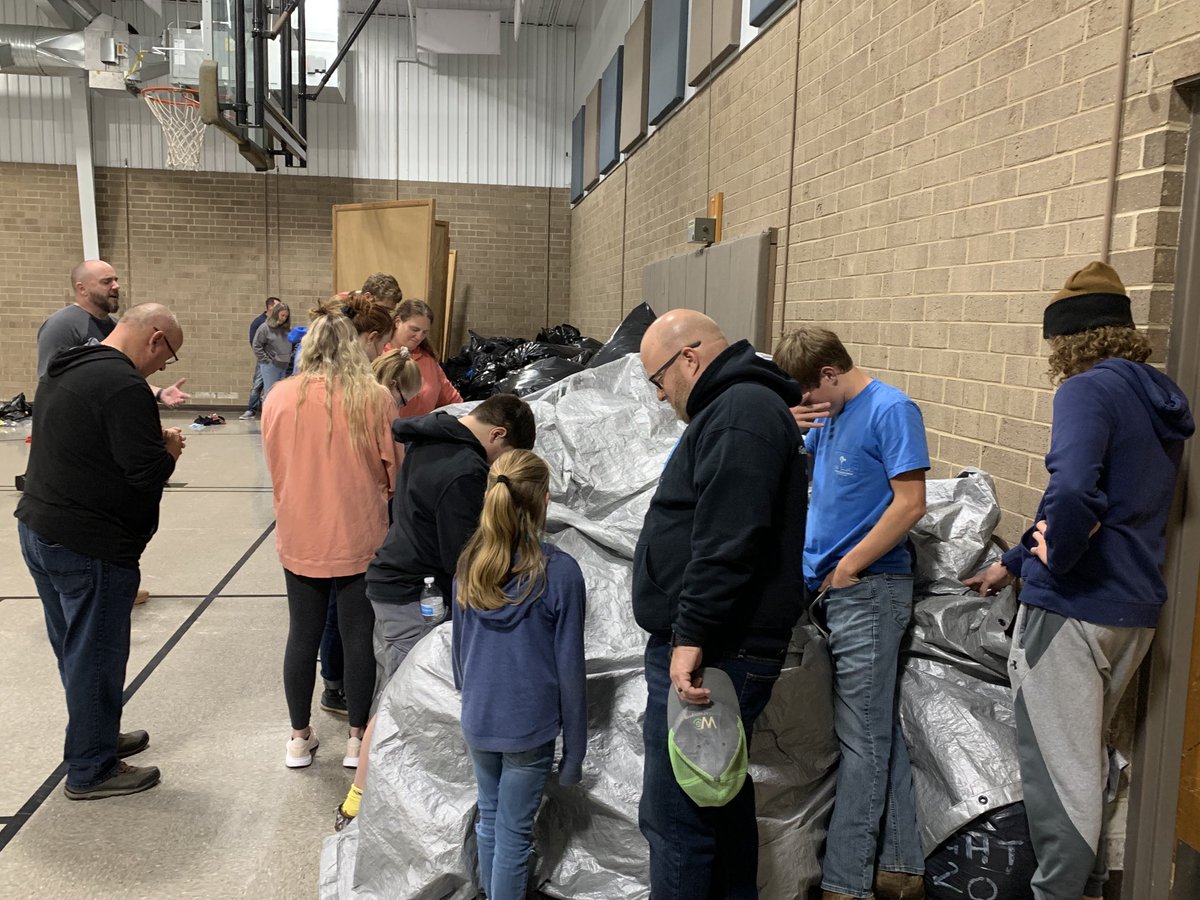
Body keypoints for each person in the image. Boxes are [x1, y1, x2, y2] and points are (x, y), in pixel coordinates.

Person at [964, 262, 1194, 900]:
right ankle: (1087, 889)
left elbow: (1070, 492)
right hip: (1132, 608)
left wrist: (1051, 561)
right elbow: (1096, 493)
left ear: (1068, 340)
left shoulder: (1086, 392)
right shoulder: (1157, 396)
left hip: (1072, 606)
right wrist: (1011, 564)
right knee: (1086, 762)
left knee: (1057, 780)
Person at [634, 309, 808, 899]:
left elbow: (728, 541)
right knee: (718, 802)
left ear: (689, 358)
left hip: (716, 652)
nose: (660, 397)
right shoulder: (740, 409)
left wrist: (690, 639)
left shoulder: (740, 413)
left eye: (658, 379)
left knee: (677, 818)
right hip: (718, 645)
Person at [774, 326, 928, 900]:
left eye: (811, 394)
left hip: (867, 589)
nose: (810, 405)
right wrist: (791, 427)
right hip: (829, 590)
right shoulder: (830, 414)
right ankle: (901, 866)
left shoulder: (891, 409)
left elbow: (911, 503)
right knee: (872, 729)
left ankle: (846, 882)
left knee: (861, 739)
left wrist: (850, 566)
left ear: (832, 375)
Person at [336, 392, 537, 829]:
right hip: (412, 597)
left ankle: (371, 791)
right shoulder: (465, 470)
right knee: (400, 700)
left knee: (392, 688)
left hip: (395, 585)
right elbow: (463, 560)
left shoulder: (429, 440)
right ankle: (360, 802)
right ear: (498, 435)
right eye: (504, 458)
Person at [16, 303, 186, 800]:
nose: (161, 368)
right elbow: (145, 474)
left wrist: (146, 437)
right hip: (89, 543)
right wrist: (168, 450)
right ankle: (91, 768)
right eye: (168, 356)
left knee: (75, 649)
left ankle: (96, 735)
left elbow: (87, 440)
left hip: (40, 527)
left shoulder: (71, 364)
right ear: (155, 339)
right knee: (97, 655)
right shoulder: (125, 386)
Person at [261, 305, 402, 770]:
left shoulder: (278, 397)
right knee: (358, 637)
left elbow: (274, 462)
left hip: (301, 531)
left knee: (302, 635)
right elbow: (393, 470)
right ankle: (357, 739)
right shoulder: (375, 398)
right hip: (359, 532)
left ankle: (299, 737)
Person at [452, 449, 587, 900]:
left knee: (490, 820)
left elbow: (460, 651)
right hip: (528, 727)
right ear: (544, 500)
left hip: (479, 717)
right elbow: (570, 671)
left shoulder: (469, 563)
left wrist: (468, 695)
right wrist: (575, 753)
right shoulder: (560, 573)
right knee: (513, 835)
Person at [313, 292, 401, 716]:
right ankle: (344, 697)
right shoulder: (370, 397)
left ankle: (333, 689)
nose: (385, 350)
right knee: (347, 617)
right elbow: (390, 472)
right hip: (349, 524)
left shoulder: (297, 394)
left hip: (317, 522)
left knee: (327, 618)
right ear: (365, 338)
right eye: (382, 342)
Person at [35, 260, 190, 410]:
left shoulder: (118, 327)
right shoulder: (61, 325)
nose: (116, 286)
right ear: (82, 288)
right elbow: (51, 382)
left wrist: (159, 393)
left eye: (116, 280)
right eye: (106, 282)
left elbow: (119, 377)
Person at [389, 298, 462, 417]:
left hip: (419, 433)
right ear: (397, 322)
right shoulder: (379, 355)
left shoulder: (428, 360)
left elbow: (452, 400)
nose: (419, 337)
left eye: (424, 332)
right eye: (414, 329)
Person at [239, 297, 281, 420]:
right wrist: (264, 358)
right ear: (270, 306)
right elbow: (254, 342)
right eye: (278, 306)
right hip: (265, 359)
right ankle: (251, 410)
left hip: (279, 360)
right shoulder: (258, 322)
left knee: (277, 385)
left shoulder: (279, 322)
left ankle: (273, 410)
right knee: (258, 384)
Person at [253, 302, 293, 399]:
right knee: (270, 394)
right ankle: (268, 414)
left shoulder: (287, 329)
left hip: (285, 365)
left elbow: (293, 344)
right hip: (271, 366)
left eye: (286, 316)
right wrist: (267, 361)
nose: (284, 318)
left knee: (282, 395)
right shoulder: (264, 328)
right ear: (276, 314)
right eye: (282, 315)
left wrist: (291, 355)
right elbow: (256, 346)